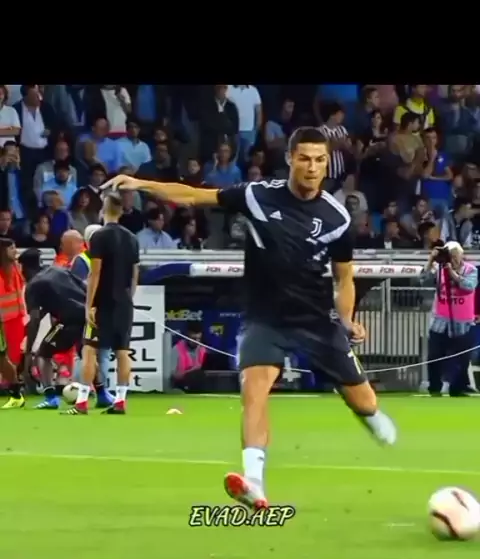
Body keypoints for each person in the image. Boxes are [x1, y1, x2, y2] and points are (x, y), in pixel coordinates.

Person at [104, 127, 397, 509]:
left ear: (327, 164)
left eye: (319, 160)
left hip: (314, 320)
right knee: (254, 392)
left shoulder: (337, 217)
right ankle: (254, 483)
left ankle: (373, 418)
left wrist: (346, 319)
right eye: (304, 159)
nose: (312, 167)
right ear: (290, 159)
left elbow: (344, 277)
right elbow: (193, 195)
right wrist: (141, 184)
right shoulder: (257, 195)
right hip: (265, 319)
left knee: (365, 404)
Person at [66, 192, 139, 416]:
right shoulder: (132, 238)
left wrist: (89, 304)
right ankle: (120, 401)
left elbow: (95, 273)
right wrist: (128, 298)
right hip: (124, 303)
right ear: (121, 211)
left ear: (103, 210)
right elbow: (135, 275)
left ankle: (81, 402)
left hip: (102, 302)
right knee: (123, 351)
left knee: (89, 349)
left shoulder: (99, 236)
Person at [24, 264, 88, 409]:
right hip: (88, 315)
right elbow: (84, 287)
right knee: (87, 354)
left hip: (69, 320)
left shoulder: (33, 285)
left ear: (24, 269)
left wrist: (28, 351)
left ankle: (51, 398)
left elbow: (35, 319)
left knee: (42, 354)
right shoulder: (59, 270)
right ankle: (103, 394)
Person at [419, 240, 478, 397]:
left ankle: (457, 389)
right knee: (434, 356)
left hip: (462, 322)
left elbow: (468, 286)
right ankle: (434, 388)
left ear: (461, 255)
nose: (453, 258)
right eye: (450, 255)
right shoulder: (438, 269)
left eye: (455, 255)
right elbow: (422, 280)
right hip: (440, 320)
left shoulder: (470, 269)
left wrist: (452, 273)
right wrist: (430, 260)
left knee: (462, 358)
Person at [0, 238, 26, 409]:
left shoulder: (15, 268)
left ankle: (15, 392)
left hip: (10, 318)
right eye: (11, 248)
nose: (15, 251)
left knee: (7, 357)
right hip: (7, 317)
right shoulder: (11, 269)